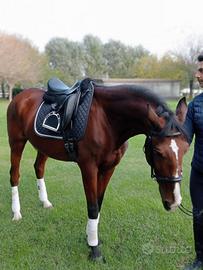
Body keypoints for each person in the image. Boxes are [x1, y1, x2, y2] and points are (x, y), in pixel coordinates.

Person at [184, 54, 203, 270]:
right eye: (198, 70)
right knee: (199, 217)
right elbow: (185, 139)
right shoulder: (195, 105)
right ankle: (200, 259)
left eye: (202, 71)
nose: (197, 75)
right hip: (199, 174)